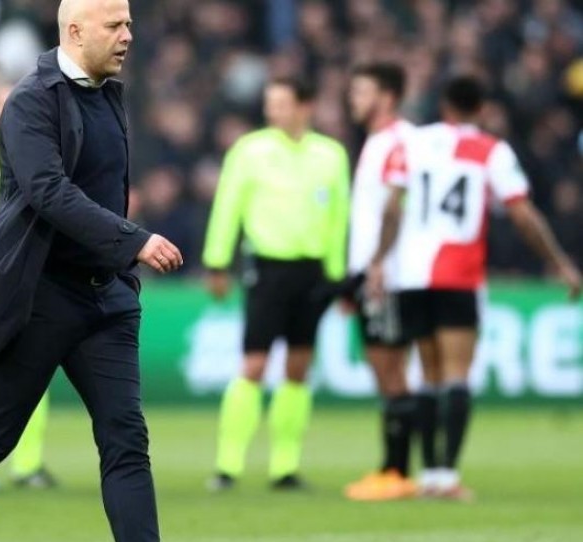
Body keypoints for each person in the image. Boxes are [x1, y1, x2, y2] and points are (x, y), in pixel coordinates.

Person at [0, 1, 234, 542]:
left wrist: (119, 265)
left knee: (126, 440)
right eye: (115, 25)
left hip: (107, 301)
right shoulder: (29, 101)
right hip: (39, 298)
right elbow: (48, 192)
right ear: (74, 31)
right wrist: (134, 239)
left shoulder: (109, 94)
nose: (129, 35)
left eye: (128, 23)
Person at [366, 75, 582, 499]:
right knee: (456, 375)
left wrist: (377, 261)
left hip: (412, 274)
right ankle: (446, 477)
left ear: (443, 105)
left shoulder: (412, 144)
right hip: (458, 273)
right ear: (481, 109)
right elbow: (522, 215)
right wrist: (559, 263)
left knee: (426, 376)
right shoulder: (490, 150)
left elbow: (392, 207)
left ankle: (428, 474)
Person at [202, 77, 350, 492]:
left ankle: (284, 467)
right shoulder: (250, 151)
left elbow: (339, 217)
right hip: (267, 269)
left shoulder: (331, 155)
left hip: (314, 272)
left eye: (281, 103)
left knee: (299, 367)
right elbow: (227, 206)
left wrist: (338, 278)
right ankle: (227, 465)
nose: (273, 111)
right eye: (270, 103)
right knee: (254, 364)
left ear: (306, 105)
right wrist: (217, 261)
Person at [341, 63, 419, 502]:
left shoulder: (399, 142)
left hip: (388, 273)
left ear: (386, 96)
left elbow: (398, 206)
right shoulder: (376, 142)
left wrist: (376, 266)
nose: (354, 99)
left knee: (391, 369)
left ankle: (397, 471)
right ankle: (394, 467)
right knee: (384, 368)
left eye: (362, 90)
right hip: (372, 271)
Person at [0, 81, 57, 489]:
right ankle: (14, 463)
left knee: (23, 363)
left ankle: (24, 463)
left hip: (14, 262)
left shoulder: (16, 144)